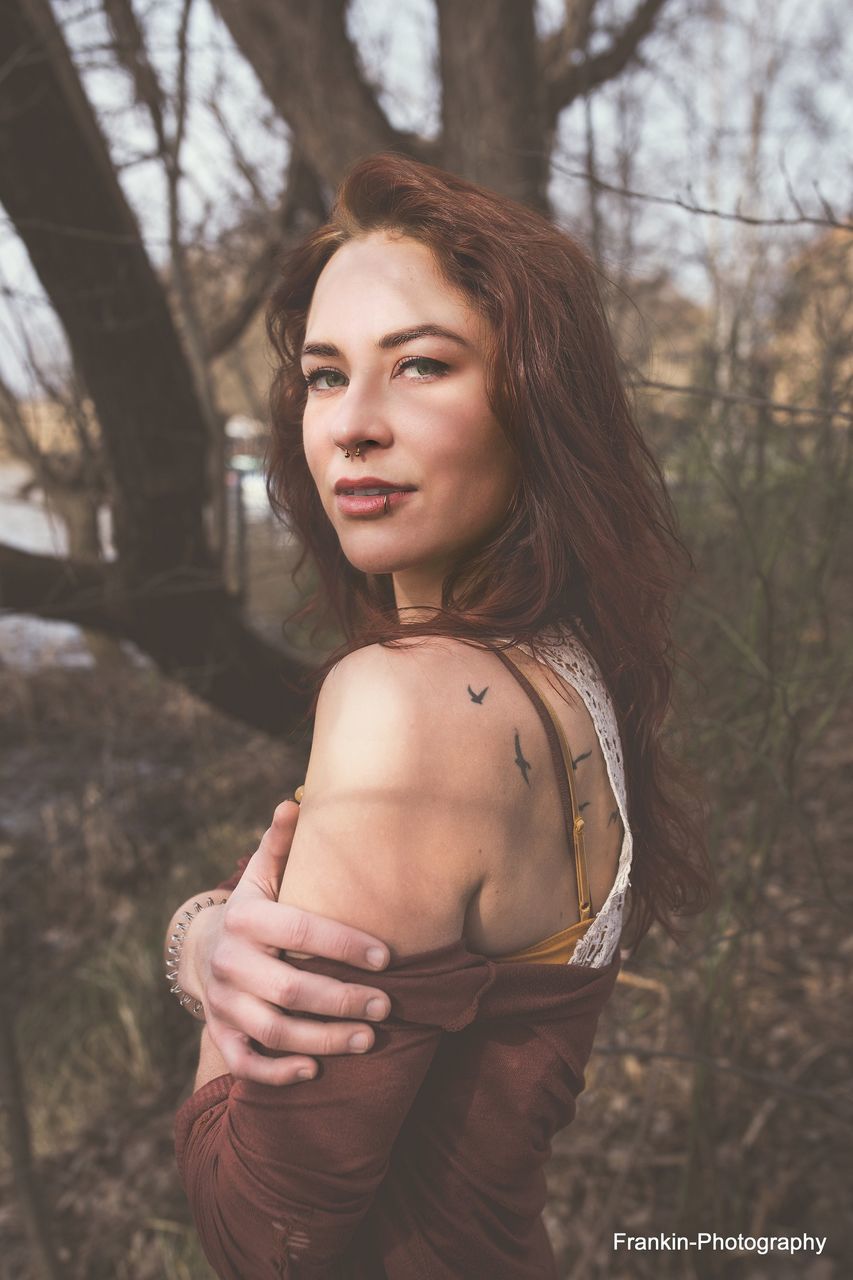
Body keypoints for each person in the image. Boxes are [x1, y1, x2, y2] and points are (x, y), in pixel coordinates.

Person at [165, 152, 711, 1278]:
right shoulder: (571, 675)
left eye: (420, 364)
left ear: (533, 401)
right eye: (323, 375)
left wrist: (199, 954)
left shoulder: (406, 702)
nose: (352, 425)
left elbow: (266, 1239)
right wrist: (216, 934)